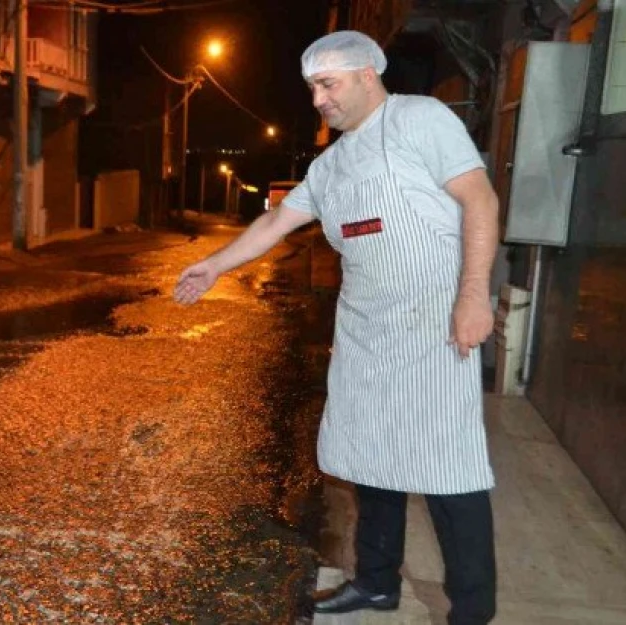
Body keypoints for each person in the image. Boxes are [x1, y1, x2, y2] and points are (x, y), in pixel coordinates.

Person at [173, 31, 499, 625]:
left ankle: (472, 611)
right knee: (373, 460)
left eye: (328, 84)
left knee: (448, 467)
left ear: (367, 75)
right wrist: (214, 265)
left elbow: (479, 200)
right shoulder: (330, 164)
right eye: (312, 88)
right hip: (366, 329)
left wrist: (473, 294)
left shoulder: (417, 119)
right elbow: (276, 224)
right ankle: (376, 583)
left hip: (434, 322)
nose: (318, 99)